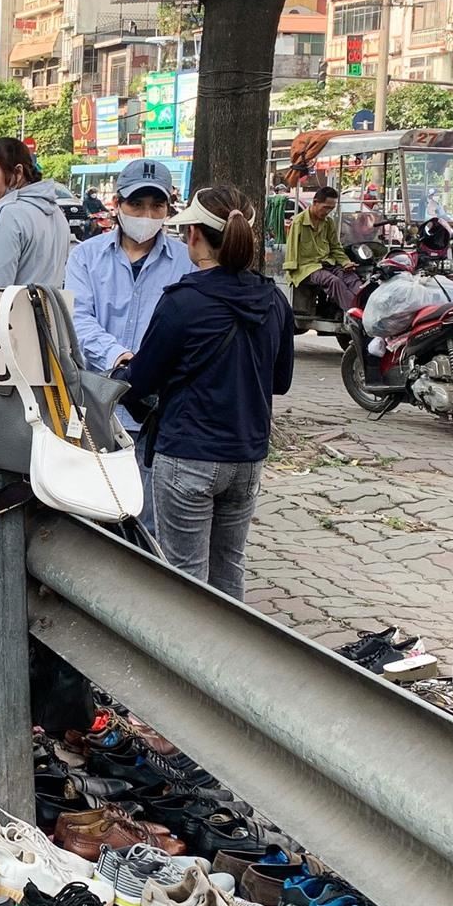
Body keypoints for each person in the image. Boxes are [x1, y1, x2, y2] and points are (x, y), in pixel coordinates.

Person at [122, 186, 293, 598]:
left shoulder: (183, 301)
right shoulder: (274, 299)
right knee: (228, 570)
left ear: (194, 235)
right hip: (246, 456)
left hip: (188, 456)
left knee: (185, 578)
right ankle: (226, 659)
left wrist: (126, 369)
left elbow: (140, 382)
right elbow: (281, 381)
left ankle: (182, 661)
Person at [64, 159, 194, 533]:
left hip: (157, 414)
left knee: (149, 519)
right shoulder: (85, 256)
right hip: (96, 407)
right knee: (94, 515)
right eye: (137, 205)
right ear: (118, 204)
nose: (147, 215)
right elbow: (78, 318)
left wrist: (151, 369)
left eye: (157, 206)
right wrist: (121, 357)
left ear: (169, 208)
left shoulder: (186, 261)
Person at [0, 136, 70, 287]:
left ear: (18, 172)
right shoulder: (57, 212)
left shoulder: (9, 213)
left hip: (14, 310)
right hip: (50, 309)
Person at [285, 185, 361, 312]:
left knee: (352, 278)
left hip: (327, 264)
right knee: (334, 281)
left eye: (331, 209)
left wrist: (346, 262)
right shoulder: (299, 222)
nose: (327, 212)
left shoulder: (328, 222)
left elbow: (335, 247)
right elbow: (291, 250)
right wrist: (292, 274)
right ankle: (355, 313)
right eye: (325, 207)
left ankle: (367, 307)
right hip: (306, 268)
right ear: (315, 203)